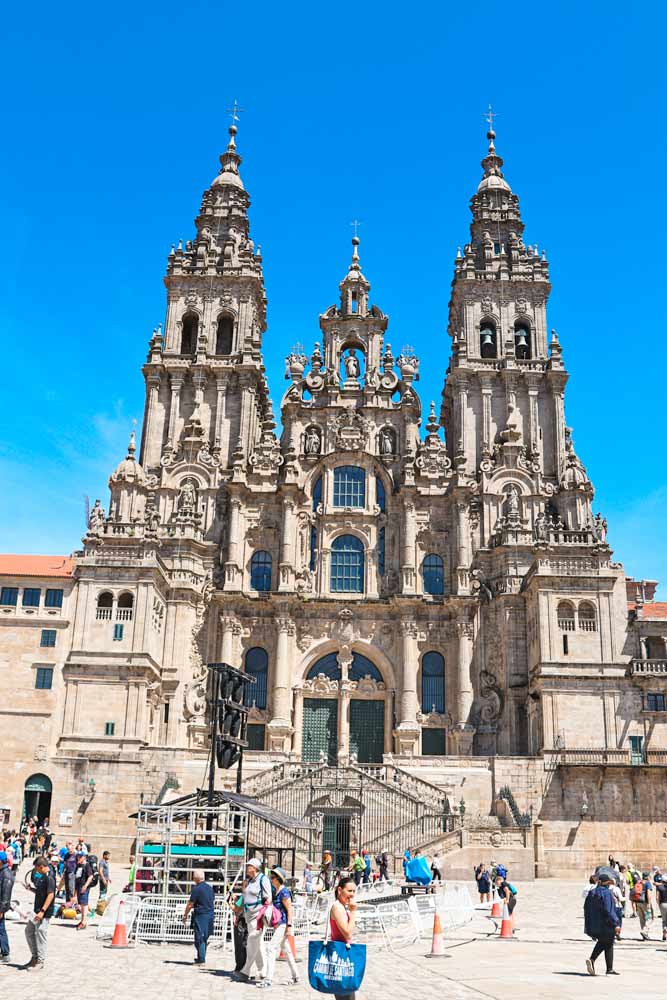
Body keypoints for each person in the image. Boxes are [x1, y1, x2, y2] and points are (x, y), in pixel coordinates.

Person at [259, 867, 299, 989]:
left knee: (270, 948)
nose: (271, 880)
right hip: (278, 924)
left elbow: (289, 909)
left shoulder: (284, 892)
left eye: (273, 878)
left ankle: (269, 979)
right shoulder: (276, 891)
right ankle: (296, 975)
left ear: (279, 879)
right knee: (286, 949)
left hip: (283, 924)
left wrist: (289, 926)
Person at [236, 857, 271, 982]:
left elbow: (268, 898)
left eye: (248, 866)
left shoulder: (263, 879)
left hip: (258, 916)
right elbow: (246, 897)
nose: (246, 868)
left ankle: (246, 970)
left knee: (252, 942)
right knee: (258, 943)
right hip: (249, 915)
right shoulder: (250, 881)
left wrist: (262, 912)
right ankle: (263, 970)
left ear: (254, 868)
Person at [585, 875, 621, 976]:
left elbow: (586, 908)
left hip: (596, 923)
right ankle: (592, 959)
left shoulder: (592, 892)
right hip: (607, 923)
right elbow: (609, 910)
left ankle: (609, 968)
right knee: (605, 942)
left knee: (608, 943)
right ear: (607, 882)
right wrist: (616, 923)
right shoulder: (606, 893)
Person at [25, 855, 56, 971]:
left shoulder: (50, 878)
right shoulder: (42, 877)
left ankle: (40, 961)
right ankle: (34, 957)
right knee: (29, 931)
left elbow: (50, 894)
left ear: (42, 866)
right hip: (36, 910)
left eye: (36, 868)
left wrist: (43, 911)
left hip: (44, 912)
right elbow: (40, 892)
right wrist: (31, 889)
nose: (35, 871)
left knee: (41, 933)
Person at [330, 875, 358, 1000]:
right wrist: (353, 912)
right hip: (339, 956)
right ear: (339, 890)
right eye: (349, 891)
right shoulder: (337, 907)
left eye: (354, 891)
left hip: (344, 955)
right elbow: (347, 933)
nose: (352, 894)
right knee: (345, 996)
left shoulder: (342, 907)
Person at [182, 869, 215, 966]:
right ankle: (201, 956)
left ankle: (201, 959)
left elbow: (190, 904)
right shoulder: (210, 888)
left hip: (201, 915)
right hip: (210, 915)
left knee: (199, 937)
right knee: (204, 937)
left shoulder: (196, 889)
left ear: (196, 878)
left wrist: (185, 915)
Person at [632, 871, 654, 940]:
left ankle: (644, 935)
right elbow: (648, 893)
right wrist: (649, 903)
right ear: (647, 877)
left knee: (642, 919)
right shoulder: (647, 883)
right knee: (649, 918)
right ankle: (644, 931)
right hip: (645, 902)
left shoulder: (639, 882)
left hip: (638, 902)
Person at [0, 852, 13, 963]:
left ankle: (5, 953)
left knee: (1, 929)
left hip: (0, 907)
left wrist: (1, 910)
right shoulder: (2, 872)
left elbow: (6, 894)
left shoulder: (6, 875)